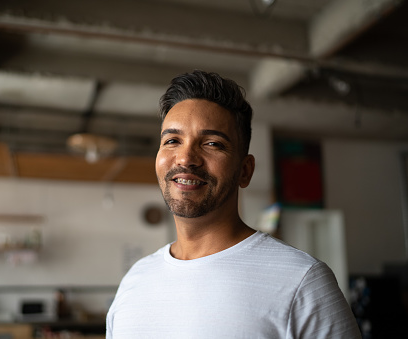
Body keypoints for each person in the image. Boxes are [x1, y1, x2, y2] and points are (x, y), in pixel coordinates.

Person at [106, 70, 361, 338]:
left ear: (245, 171)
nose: (185, 158)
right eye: (172, 141)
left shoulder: (302, 281)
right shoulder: (135, 280)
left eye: (212, 143)